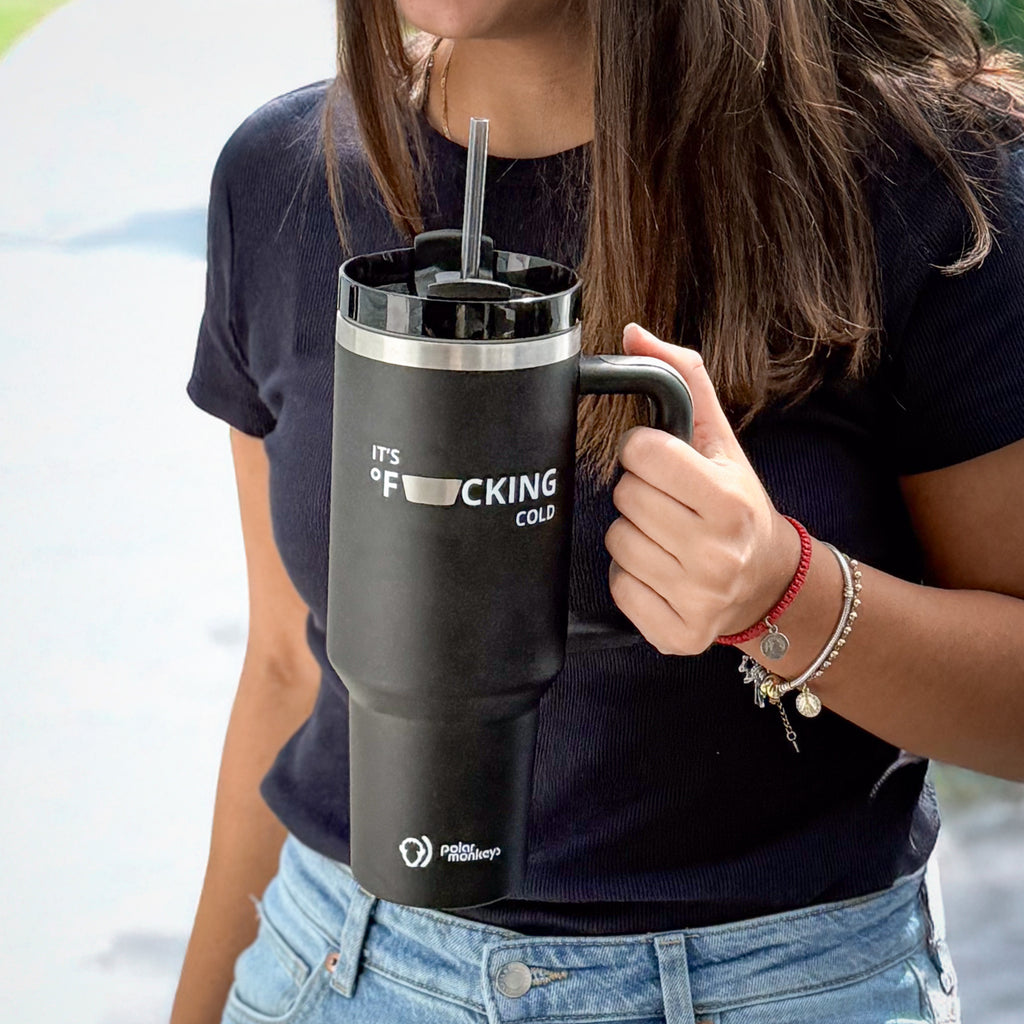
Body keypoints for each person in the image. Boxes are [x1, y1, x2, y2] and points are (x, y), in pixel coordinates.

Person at [171, 1, 1024, 1022]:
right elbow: (287, 663)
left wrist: (780, 590)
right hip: (337, 964)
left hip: (773, 986)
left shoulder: (926, 181)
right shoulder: (282, 179)